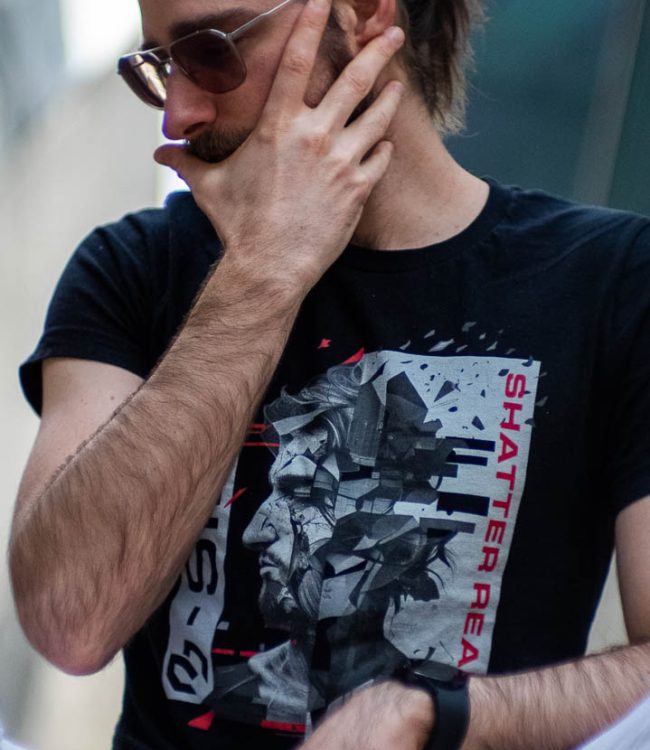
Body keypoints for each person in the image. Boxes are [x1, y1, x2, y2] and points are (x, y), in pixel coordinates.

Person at [8, 0, 650, 748]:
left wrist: (436, 718)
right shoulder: (136, 267)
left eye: (211, 50)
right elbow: (69, 622)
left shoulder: (613, 281)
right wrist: (261, 274)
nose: (177, 113)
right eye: (154, 68)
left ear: (367, 15)